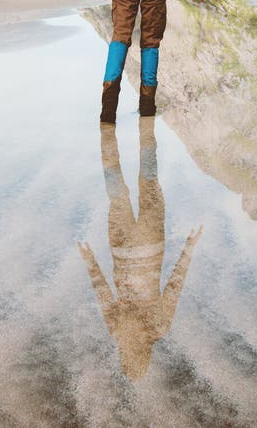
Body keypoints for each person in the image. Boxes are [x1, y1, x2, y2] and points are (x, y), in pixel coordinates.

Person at [78, 118, 202, 380]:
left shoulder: (159, 328)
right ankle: (108, 132)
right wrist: (89, 260)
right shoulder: (117, 330)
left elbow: (174, 286)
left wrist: (189, 247)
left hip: (150, 242)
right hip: (123, 248)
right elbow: (102, 292)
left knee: (148, 180)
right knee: (117, 190)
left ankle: (146, 124)